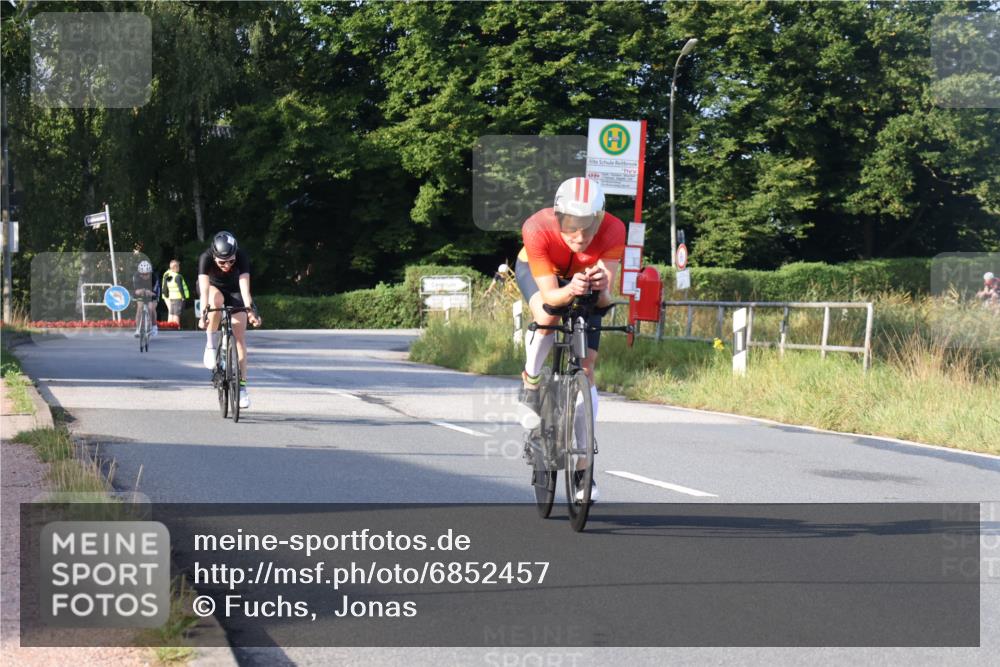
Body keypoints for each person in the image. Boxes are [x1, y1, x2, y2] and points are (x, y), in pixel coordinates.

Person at [515, 177, 626, 502]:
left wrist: (601, 286)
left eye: (587, 230)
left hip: (585, 283)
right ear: (558, 217)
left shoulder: (614, 229)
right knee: (547, 316)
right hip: (543, 276)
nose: (579, 238)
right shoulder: (537, 227)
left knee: (588, 367)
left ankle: (583, 468)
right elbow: (550, 295)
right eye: (571, 229)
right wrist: (570, 289)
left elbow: (605, 301)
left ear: (600, 220)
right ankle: (531, 379)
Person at [198, 231, 261, 409]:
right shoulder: (206, 257)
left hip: (234, 290)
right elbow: (203, 290)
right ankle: (210, 344)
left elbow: (244, 287)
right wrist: (203, 314)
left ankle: (241, 389)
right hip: (213, 289)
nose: (227, 265)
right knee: (215, 300)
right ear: (214, 256)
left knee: (240, 338)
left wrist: (250, 311)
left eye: (231, 261)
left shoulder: (241, 256)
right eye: (222, 262)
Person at [132, 260, 160, 338]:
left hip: (152, 291)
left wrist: (151, 293)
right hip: (141, 291)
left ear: (150, 272)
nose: (144, 276)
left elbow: (156, 292)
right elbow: (135, 291)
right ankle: (137, 329)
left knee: (151, 308)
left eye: (146, 274)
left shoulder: (154, 277)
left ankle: (154, 326)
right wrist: (139, 291)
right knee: (140, 307)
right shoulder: (136, 276)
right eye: (142, 274)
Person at [161, 259, 191, 327]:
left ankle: (170, 327)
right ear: (175, 267)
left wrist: (166, 295)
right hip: (178, 297)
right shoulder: (177, 276)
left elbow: (166, 286)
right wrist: (183, 297)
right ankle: (176, 327)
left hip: (171, 297)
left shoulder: (168, 275)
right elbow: (180, 287)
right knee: (176, 314)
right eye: (178, 266)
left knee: (171, 313)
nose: (179, 268)